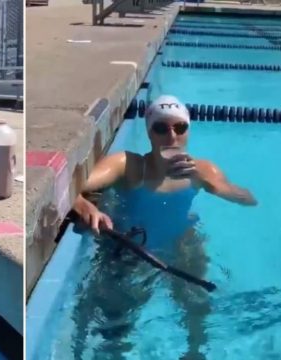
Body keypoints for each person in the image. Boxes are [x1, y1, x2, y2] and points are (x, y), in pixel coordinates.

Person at [70, 95, 257, 360]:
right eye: (161, 128)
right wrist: (85, 206)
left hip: (181, 244)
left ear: (188, 131)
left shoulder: (203, 169)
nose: (172, 136)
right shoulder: (129, 165)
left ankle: (194, 353)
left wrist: (214, 185)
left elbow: (249, 200)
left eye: (180, 127)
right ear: (149, 133)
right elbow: (69, 185)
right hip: (131, 249)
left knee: (197, 307)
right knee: (116, 320)